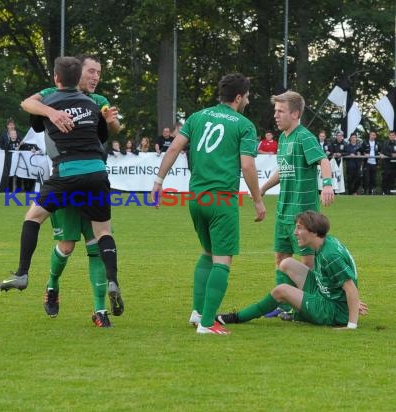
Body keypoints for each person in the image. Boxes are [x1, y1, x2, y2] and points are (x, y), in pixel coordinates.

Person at [0, 56, 122, 328]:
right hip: (81, 175)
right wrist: (51, 112)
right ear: (78, 74)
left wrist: (110, 121)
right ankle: (52, 286)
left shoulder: (98, 101)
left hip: (71, 174)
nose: (95, 76)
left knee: (93, 248)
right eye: (91, 71)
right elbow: (28, 103)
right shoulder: (52, 95)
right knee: (67, 245)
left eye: (99, 72)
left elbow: (113, 131)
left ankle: (100, 310)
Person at [152, 73, 266, 335]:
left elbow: (172, 150)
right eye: (247, 95)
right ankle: (207, 324)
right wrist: (257, 201)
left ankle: (197, 312)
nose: (247, 100)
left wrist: (158, 182)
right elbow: (247, 165)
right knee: (222, 261)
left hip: (197, 198)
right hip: (222, 200)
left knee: (207, 253)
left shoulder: (197, 117)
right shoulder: (244, 125)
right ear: (238, 97)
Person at [217, 211, 367, 329]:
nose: (295, 232)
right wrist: (349, 301)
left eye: (299, 228)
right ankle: (295, 312)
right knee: (286, 263)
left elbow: (350, 287)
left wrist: (351, 325)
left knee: (281, 290)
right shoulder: (325, 242)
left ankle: (235, 317)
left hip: (332, 310)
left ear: (314, 232)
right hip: (326, 295)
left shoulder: (331, 254)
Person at [260, 91, 334, 318]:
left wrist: (328, 185)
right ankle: (282, 303)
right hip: (283, 211)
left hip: (303, 215)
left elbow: (323, 160)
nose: (276, 115)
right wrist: (262, 189)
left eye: (280, 111)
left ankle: (306, 305)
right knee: (281, 258)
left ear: (295, 113)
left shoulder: (305, 137)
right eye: (275, 111)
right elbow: (283, 170)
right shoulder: (283, 139)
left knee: (306, 262)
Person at [361, 130, 381, 195]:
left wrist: (380, 154)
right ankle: (364, 191)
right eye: (371, 135)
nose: (372, 136)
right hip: (367, 163)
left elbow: (380, 151)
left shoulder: (378, 143)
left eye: (374, 135)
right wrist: (364, 153)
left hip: (374, 163)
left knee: (373, 179)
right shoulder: (365, 142)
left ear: (375, 136)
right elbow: (360, 150)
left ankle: (370, 192)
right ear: (369, 135)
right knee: (366, 178)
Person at [381, 130, 396, 195]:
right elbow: (383, 152)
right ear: (388, 136)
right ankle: (384, 192)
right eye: (390, 135)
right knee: (385, 178)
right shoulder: (385, 143)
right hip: (387, 164)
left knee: (392, 179)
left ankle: (391, 192)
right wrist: (391, 155)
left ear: (395, 136)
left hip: (394, 165)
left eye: (393, 135)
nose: (392, 136)